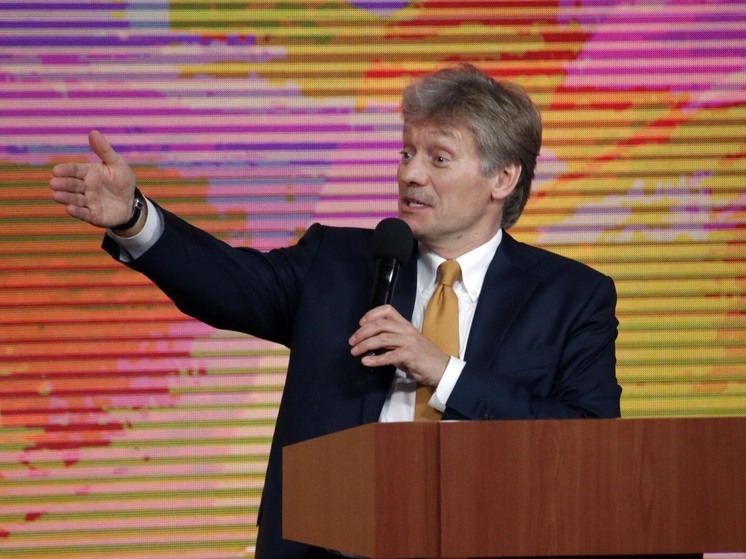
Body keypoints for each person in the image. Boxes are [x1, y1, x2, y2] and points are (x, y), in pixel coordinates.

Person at [49, 63, 622, 558]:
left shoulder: (573, 296)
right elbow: (228, 283)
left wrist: (443, 371)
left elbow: (590, 443)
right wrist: (135, 218)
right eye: (407, 152)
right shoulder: (339, 262)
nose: (410, 173)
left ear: (503, 178)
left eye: (439, 157)